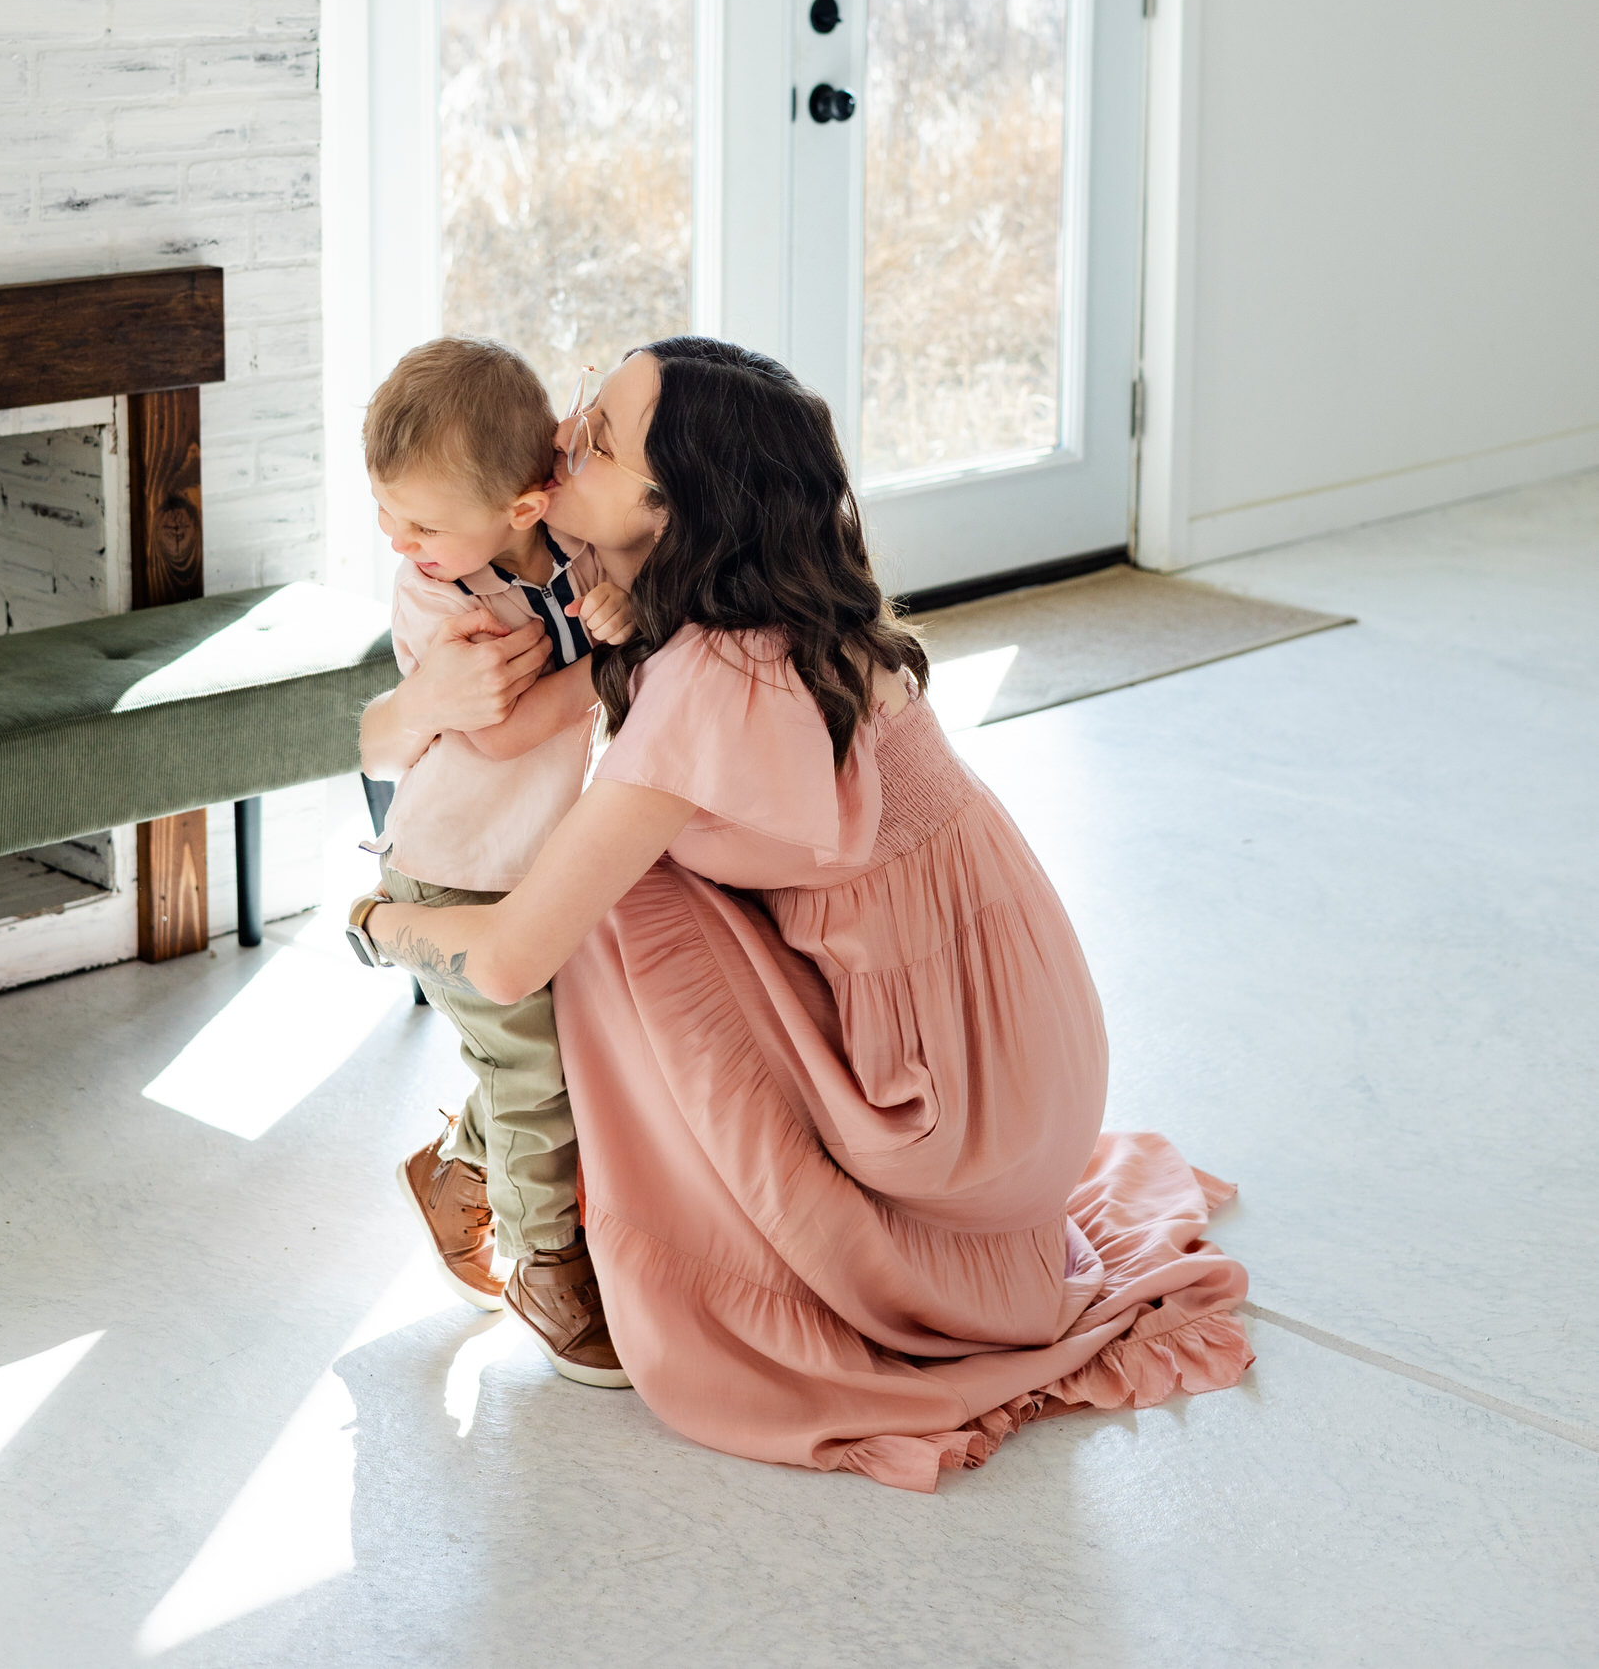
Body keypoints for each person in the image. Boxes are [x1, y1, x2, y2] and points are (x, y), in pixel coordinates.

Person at [357, 339, 1253, 1489]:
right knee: (612, 866)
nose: (562, 440)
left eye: (599, 437)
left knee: (601, 902)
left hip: (953, 1106)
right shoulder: (751, 592)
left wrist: (378, 923)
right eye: (584, 407)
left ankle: (522, 1203)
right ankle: (477, 1167)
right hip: (1023, 1045)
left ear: (671, 506)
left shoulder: (706, 678)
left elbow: (509, 952)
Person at [355, 336, 637, 1387]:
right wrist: (618, 652)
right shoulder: (435, 596)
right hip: (454, 872)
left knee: (556, 1051)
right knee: (532, 1069)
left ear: (524, 506)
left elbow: (616, 598)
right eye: (386, 511)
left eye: (420, 521)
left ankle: (455, 1173)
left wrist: (615, 612)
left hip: (541, 860)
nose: (396, 538)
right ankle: (547, 1266)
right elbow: (506, 732)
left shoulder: (564, 554)